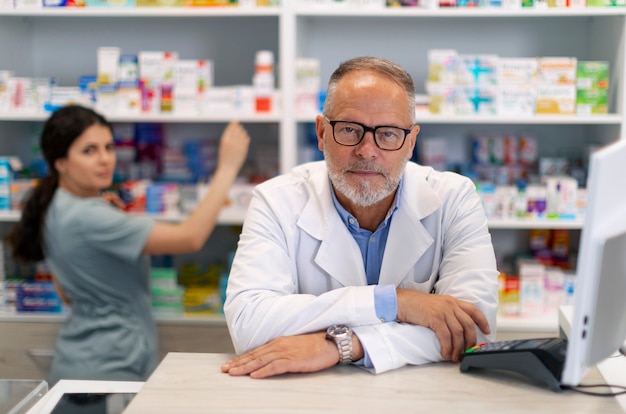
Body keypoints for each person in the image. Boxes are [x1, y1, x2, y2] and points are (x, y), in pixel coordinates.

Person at [221, 56, 499, 379]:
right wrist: (395, 303)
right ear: (322, 133)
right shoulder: (276, 201)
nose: (367, 150)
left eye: (388, 134)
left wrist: (343, 345)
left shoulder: (454, 199)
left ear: (410, 143)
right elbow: (247, 323)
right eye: (350, 130)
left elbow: (474, 329)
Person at [5, 104, 250, 386]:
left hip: (81, 362)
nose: (104, 159)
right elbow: (190, 236)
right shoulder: (89, 216)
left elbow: (67, 293)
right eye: (89, 151)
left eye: (108, 147)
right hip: (107, 370)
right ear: (60, 162)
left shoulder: (56, 204)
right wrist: (228, 167)